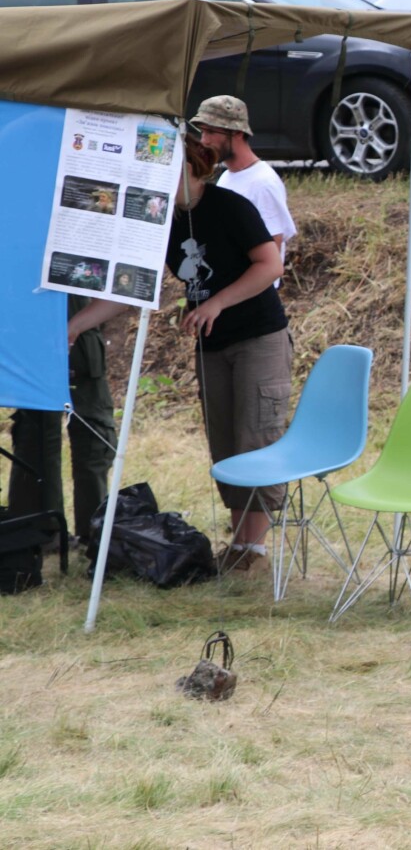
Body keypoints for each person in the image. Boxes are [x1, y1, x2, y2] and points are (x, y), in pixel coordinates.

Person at [68, 137, 291, 574]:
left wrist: (216, 302)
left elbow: (270, 265)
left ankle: (256, 551)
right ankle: (241, 546)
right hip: (213, 344)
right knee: (226, 447)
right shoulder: (160, 220)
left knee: (255, 438)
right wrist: (77, 325)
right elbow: (133, 286)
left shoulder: (230, 206)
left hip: (259, 337)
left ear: (189, 168)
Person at [7, 295, 116, 552]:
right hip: (30, 335)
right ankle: (36, 530)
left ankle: (94, 531)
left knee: (94, 436)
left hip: (81, 340)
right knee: (35, 437)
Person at [191, 95, 297, 289]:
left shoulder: (263, 183)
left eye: (211, 132)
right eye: (202, 132)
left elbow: (272, 255)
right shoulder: (226, 177)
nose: (204, 141)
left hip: (252, 300)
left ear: (237, 133)